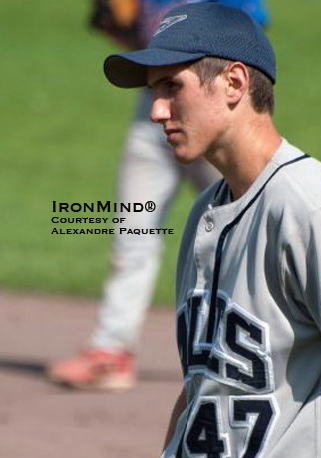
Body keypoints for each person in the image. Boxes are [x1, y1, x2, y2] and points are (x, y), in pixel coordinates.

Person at [104, 3, 321, 458]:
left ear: (233, 82)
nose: (156, 110)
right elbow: (206, 389)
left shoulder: (308, 206)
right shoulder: (208, 211)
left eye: (170, 87)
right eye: (152, 91)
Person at [47, 0, 270, 391]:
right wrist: (116, 26)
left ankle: (271, 345)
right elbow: (135, 42)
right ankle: (111, 350)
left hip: (209, 108)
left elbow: (248, 36)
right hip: (155, 102)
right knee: (133, 230)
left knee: (251, 223)